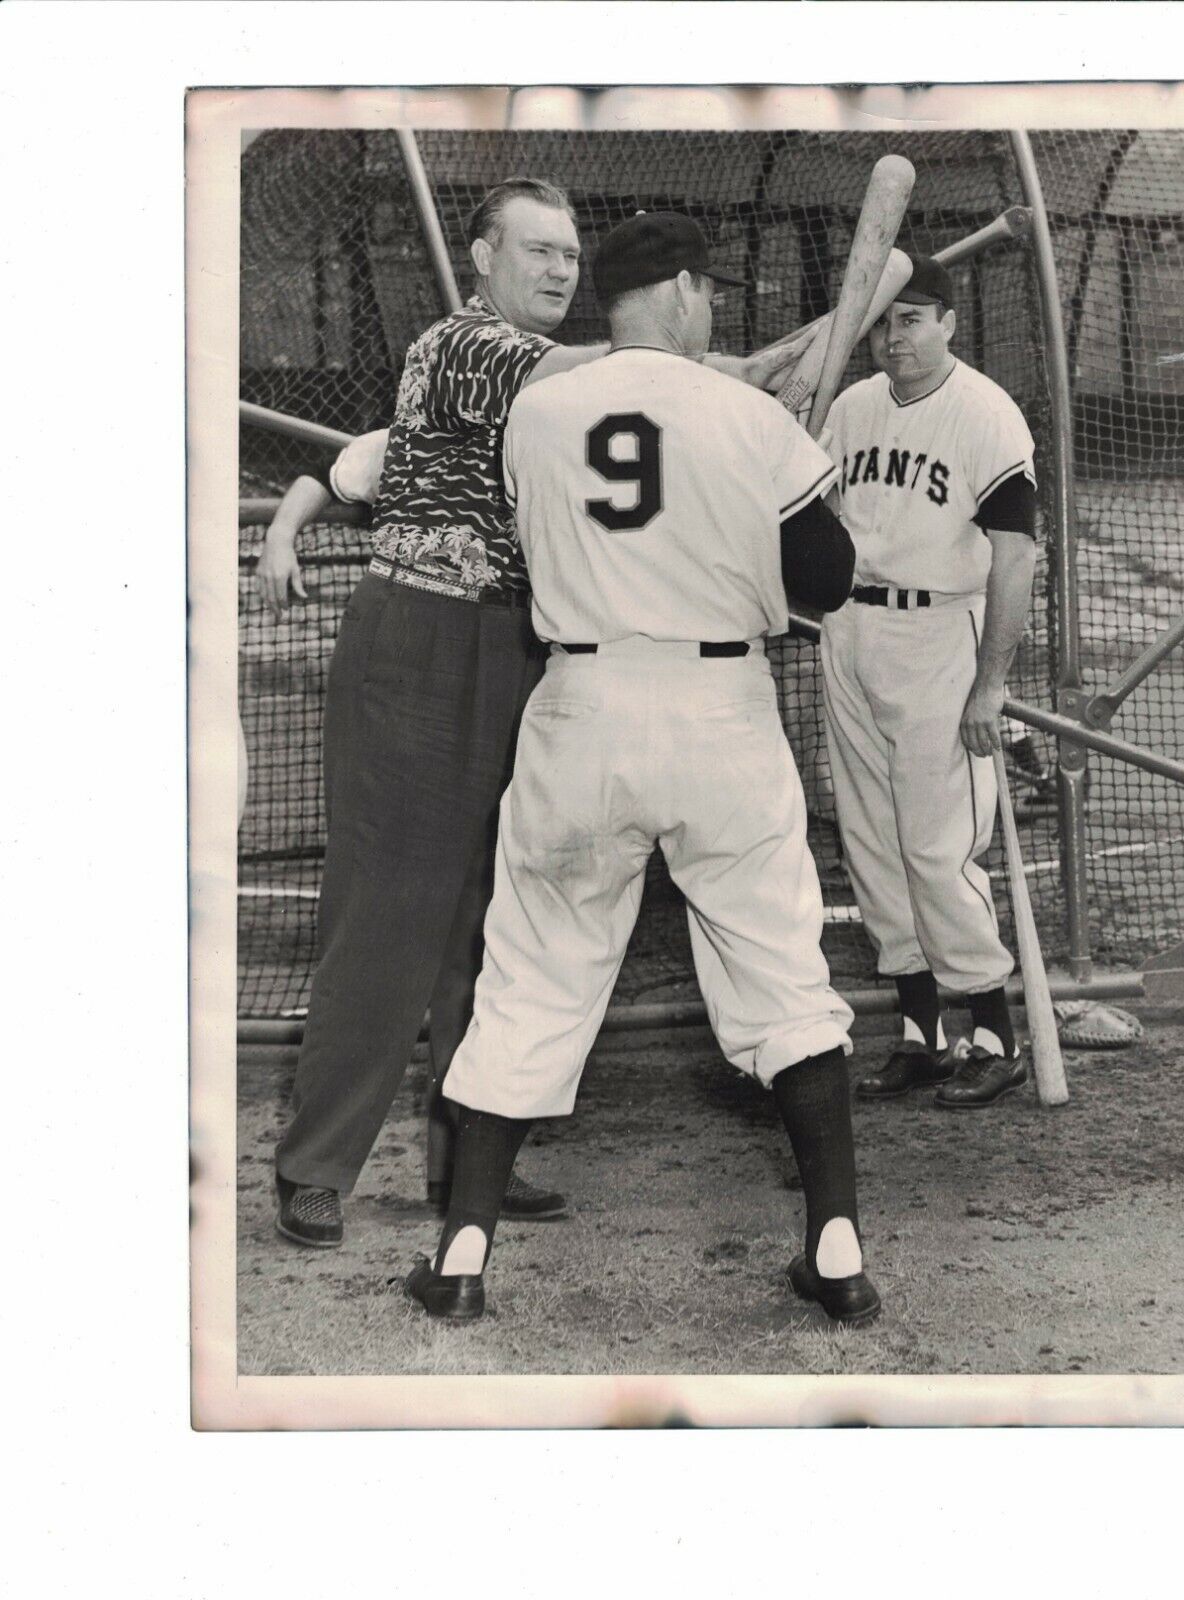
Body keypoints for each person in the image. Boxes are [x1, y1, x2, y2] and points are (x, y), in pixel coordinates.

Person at [263, 179, 812, 1248]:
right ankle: (316, 1165)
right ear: (480, 257)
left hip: (533, 645)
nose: (560, 270)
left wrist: (742, 401)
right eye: (537, 251)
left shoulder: (544, 401)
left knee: (498, 916)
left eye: (571, 254)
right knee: (388, 912)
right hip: (421, 636)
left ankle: (474, 1150)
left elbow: (355, 462)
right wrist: (747, 374)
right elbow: (645, 379)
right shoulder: (462, 348)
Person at [402, 210, 879, 1328]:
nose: (713, 305)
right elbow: (825, 583)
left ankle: (463, 1251)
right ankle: (837, 1245)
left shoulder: (537, 409)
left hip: (581, 704)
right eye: (705, 289)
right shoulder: (748, 416)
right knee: (778, 973)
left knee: (533, 971)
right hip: (720, 711)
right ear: (671, 292)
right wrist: (794, 494)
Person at [817, 254, 1039, 1110]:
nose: (894, 337)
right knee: (871, 840)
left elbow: (1015, 556)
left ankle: (994, 1034)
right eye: (882, 321)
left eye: (911, 318)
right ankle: (921, 1037)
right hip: (852, 628)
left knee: (938, 847)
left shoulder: (985, 413)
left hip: (944, 630)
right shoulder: (853, 406)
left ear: (949, 322)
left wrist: (992, 687)